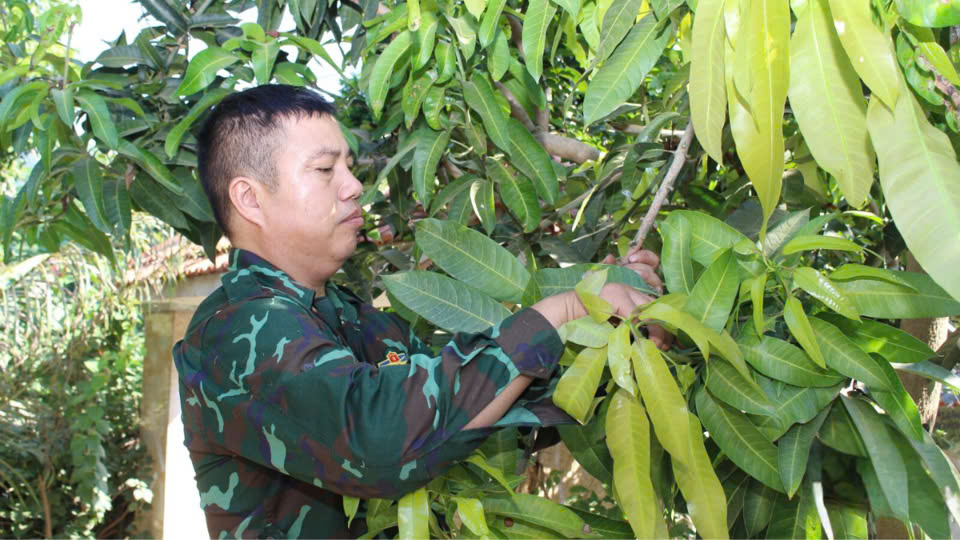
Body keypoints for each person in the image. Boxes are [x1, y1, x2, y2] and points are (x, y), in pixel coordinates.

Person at [173, 84, 666, 538]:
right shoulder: (234, 330)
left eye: (349, 167)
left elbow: (479, 413)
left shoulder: (353, 318)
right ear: (249, 199)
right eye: (325, 170)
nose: (353, 186)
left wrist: (608, 321)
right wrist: (561, 308)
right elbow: (377, 440)